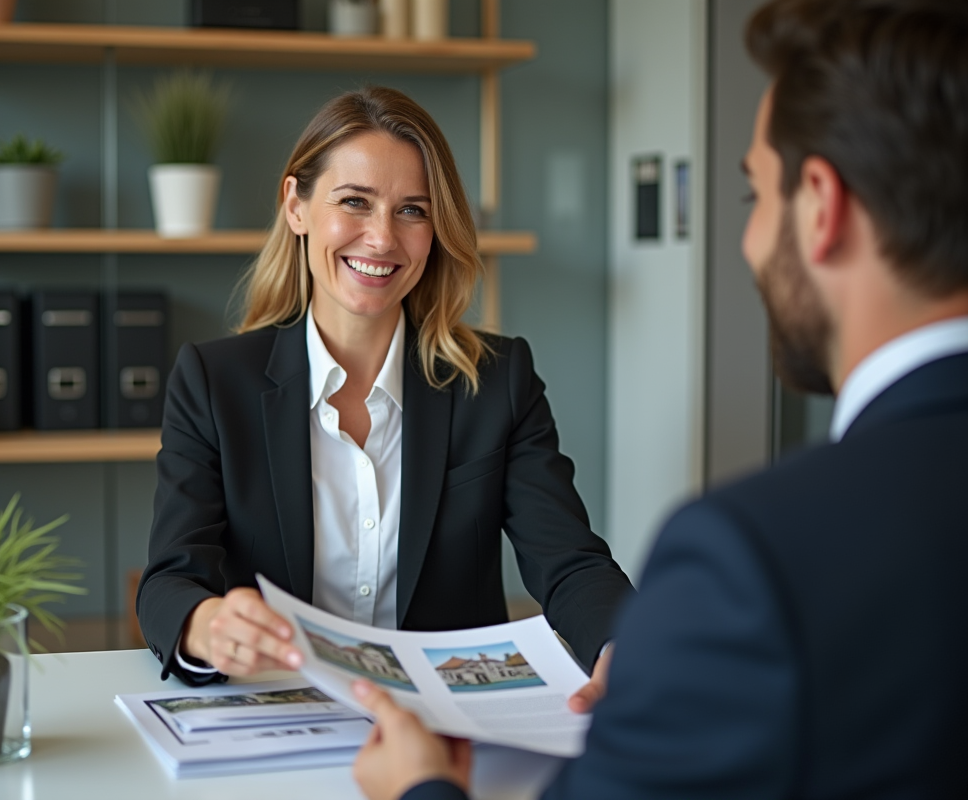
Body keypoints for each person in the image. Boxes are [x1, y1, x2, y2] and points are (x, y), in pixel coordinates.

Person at [350, 1, 968, 798]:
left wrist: (420, 787)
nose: (749, 243)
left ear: (821, 206)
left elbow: (567, 557)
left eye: (756, 199)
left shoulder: (750, 560)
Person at [136, 86, 633, 707]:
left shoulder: (499, 380)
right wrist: (206, 627)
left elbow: (570, 561)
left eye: (412, 211)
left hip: (450, 725)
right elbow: (170, 580)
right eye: (354, 202)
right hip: (280, 713)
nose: (381, 239)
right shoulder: (213, 382)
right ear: (296, 206)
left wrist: (625, 647)